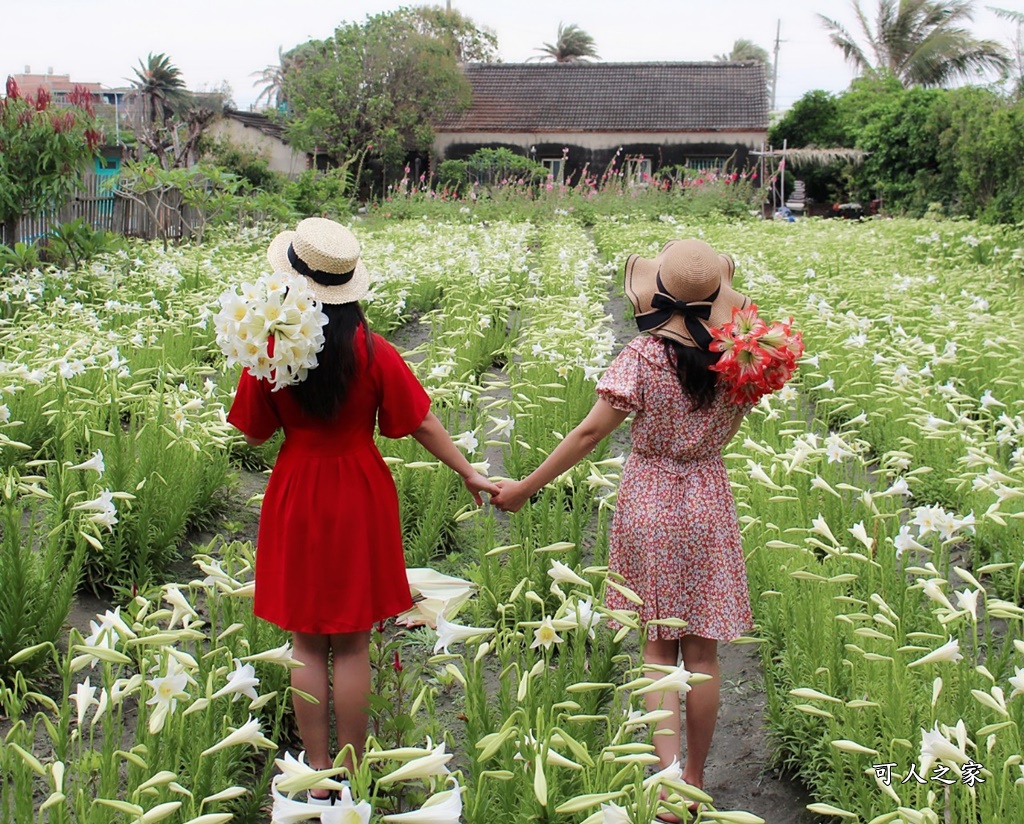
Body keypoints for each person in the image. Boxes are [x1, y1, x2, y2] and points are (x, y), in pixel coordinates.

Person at [227, 217, 497, 804]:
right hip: (359, 491)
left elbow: (251, 434)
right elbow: (419, 421)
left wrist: (263, 367)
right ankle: (352, 773)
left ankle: (314, 776)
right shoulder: (373, 349)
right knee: (351, 644)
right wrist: (469, 471)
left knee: (305, 643)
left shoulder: (272, 344)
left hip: (299, 488)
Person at [491, 239, 754, 822]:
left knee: (658, 647)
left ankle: (665, 786)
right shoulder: (742, 358)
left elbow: (588, 435)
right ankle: (696, 776)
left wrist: (525, 486)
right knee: (703, 653)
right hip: (708, 497)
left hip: (650, 498)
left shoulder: (642, 356)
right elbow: (729, 426)